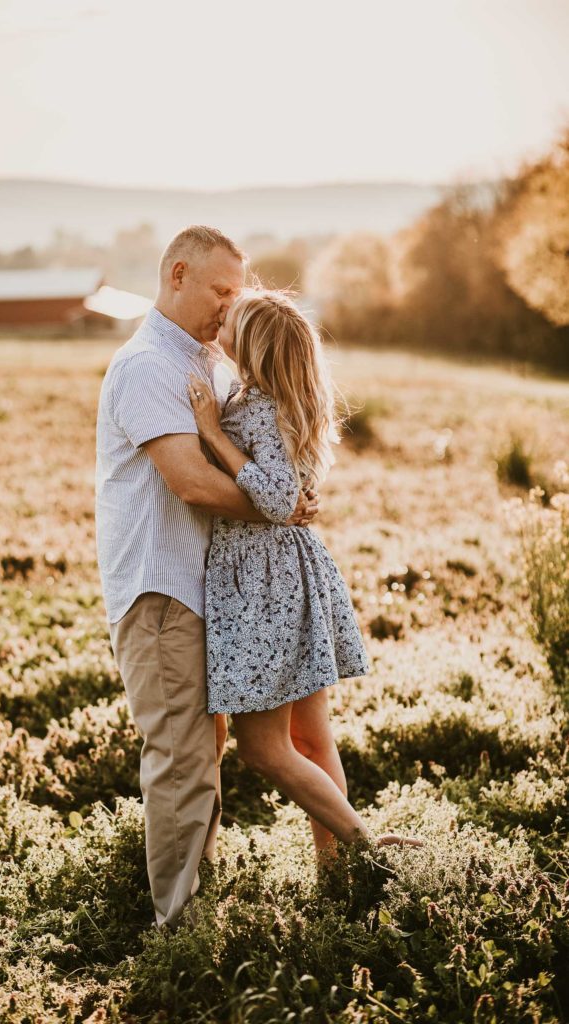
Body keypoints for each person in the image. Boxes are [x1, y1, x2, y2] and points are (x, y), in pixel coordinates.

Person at [95, 227, 319, 932]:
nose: (230, 305)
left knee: (205, 757)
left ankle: (197, 910)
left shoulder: (212, 364)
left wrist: (281, 492)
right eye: (221, 290)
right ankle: (180, 937)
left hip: (212, 594)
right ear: (178, 275)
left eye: (236, 292)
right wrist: (281, 510)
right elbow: (192, 482)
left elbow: (255, 459)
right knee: (182, 763)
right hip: (161, 593)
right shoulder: (147, 366)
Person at [187, 288, 425, 860]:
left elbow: (273, 497)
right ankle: (335, 873)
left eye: (234, 318)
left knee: (265, 749)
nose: (224, 317)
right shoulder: (277, 403)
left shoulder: (260, 409)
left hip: (266, 583)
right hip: (288, 573)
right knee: (311, 738)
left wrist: (214, 434)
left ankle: (364, 848)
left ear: (254, 346)